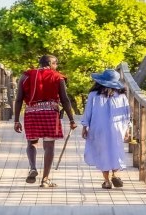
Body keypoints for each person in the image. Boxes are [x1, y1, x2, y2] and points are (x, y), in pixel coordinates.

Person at [13, 55, 77, 188]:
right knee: (49, 146)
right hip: (50, 113)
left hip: (31, 113)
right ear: (50, 63)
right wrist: (71, 119)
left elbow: (18, 99)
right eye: (56, 63)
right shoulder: (57, 77)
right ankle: (45, 179)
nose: (56, 66)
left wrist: (16, 120)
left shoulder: (25, 76)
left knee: (32, 143)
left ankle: (32, 167)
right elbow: (65, 99)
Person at [80, 69, 130, 189]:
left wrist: (84, 126)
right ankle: (115, 174)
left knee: (102, 152)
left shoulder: (93, 95)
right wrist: (128, 129)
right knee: (115, 150)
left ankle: (107, 181)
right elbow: (126, 113)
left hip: (99, 127)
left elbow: (88, 112)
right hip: (117, 128)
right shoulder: (122, 95)